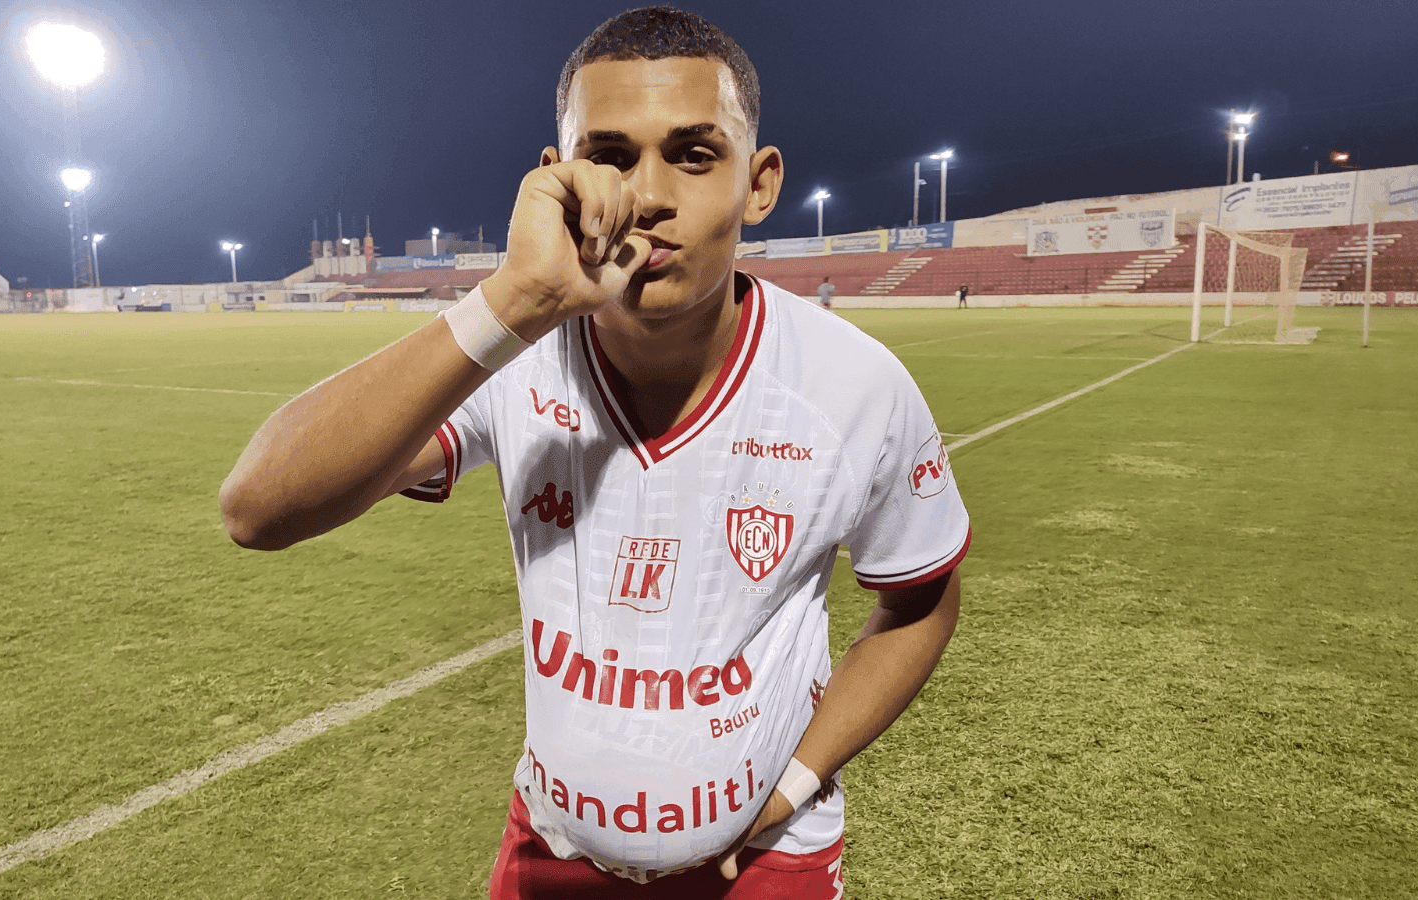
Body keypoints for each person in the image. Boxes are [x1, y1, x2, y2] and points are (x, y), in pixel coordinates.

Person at [219, 7, 968, 897]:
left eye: (694, 154)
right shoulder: (513, 355)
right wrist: (510, 300)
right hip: (551, 852)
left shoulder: (856, 384)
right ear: (558, 175)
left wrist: (795, 785)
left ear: (759, 183)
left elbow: (920, 607)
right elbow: (258, 509)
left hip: (769, 865)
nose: (647, 194)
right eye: (609, 155)